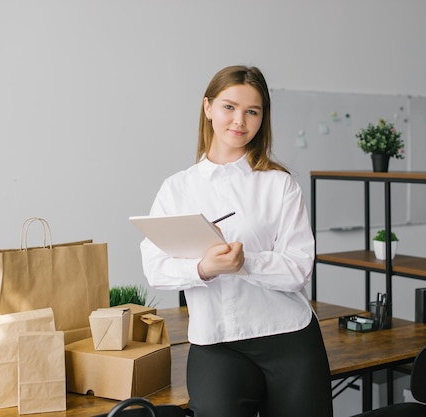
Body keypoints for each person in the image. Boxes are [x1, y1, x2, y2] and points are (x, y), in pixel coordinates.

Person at [140, 65, 333, 417]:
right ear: (208, 107)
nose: (239, 120)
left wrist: (247, 263)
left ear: (263, 118)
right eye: (229, 107)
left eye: (252, 111)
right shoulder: (177, 189)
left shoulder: (280, 184)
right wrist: (203, 268)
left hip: (289, 338)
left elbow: (300, 267)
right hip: (216, 342)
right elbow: (155, 268)